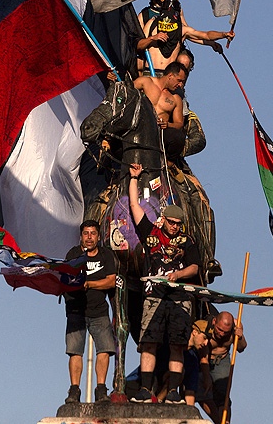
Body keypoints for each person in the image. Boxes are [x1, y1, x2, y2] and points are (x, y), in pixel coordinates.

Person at [127, 162, 201, 404]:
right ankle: (145, 390)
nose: (175, 227)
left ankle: (172, 392)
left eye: (178, 224)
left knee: (178, 345)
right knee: (149, 342)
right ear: (164, 220)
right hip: (154, 295)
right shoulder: (150, 234)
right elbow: (135, 206)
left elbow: (194, 267)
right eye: (171, 222)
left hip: (180, 298)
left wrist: (178, 276)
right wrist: (134, 178)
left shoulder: (187, 240)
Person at [63, 220, 118, 404]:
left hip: (99, 310)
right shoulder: (73, 253)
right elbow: (66, 276)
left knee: (105, 349)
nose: (89, 237)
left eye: (92, 233)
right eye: (86, 233)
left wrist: (90, 284)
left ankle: (101, 389)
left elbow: (111, 281)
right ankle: (74, 389)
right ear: (81, 236)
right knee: (75, 351)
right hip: (76, 309)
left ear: (98, 236)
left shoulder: (106, 255)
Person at [137, 0, 234, 76]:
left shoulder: (177, 11)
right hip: (149, 55)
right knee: (138, 63)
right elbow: (138, 43)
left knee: (184, 60)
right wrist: (153, 38)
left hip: (173, 51)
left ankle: (179, 87)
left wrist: (214, 41)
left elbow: (189, 33)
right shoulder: (146, 16)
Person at [195, 311, 247, 423]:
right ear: (214, 322)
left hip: (222, 360)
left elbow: (241, 348)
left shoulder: (237, 325)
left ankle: (225, 422)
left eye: (225, 332)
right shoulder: (204, 327)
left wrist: (240, 336)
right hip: (203, 359)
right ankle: (219, 421)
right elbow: (203, 356)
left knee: (223, 395)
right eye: (219, 330)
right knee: (202, 394)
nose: (222, 334)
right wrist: (207, 377)